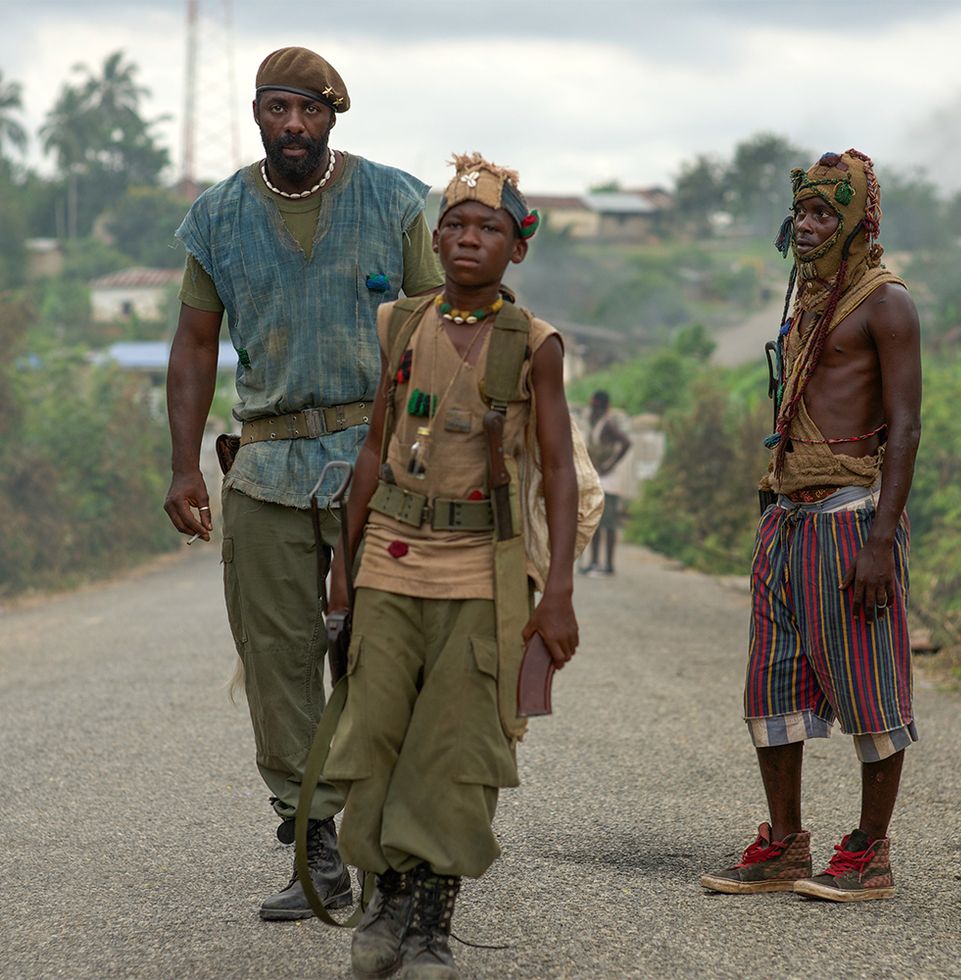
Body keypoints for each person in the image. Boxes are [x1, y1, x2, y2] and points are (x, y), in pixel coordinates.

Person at [163, 46, 443, 920]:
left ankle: (393, 855)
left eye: (309, 111)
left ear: (332, 117)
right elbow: (195, 345)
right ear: (256, 113)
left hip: (380, 460)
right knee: (278, 661)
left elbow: (439, 333)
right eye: (277, 109)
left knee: (387, 655)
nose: (293, 125)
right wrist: (183, 466)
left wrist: (431, 457)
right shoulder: (216, 218)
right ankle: (313, 847)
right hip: (268, 465)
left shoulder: (394, 200)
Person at [323, 153, 579, 979]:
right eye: (456, 225)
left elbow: (559, 470)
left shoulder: (534, 345)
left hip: (480, 570)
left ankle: (431, 923)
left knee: (457, 747)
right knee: (374, 731)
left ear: (517, 247)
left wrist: (559, 590)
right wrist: (342, 568)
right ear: (435, 240)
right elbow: (373, 450)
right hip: (390, 559)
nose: (470, 239)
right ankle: (384, 906)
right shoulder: (399, 323)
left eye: (489, 228)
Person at [700, 150, 921, 902]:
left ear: (858, 223)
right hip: (788, 519)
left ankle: (869, 852)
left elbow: (906, 426)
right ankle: (785, 844)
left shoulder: (885, 304)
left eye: (824, 214)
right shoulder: (810, 301)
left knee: (870, 684)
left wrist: (881, 541)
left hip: (851, 522)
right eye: (801, 212)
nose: (806, 226)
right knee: (772, 684)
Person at [582, 389, 632, 575]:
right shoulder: (596, 423)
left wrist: (611, 464)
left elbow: (626, 442)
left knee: (608, 524)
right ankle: (595, 562)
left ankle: (608, 565)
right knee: (595, 523)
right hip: (599, 478)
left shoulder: (608, 423)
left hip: (609, 482)